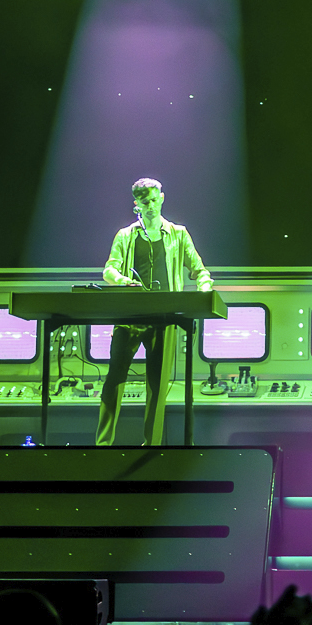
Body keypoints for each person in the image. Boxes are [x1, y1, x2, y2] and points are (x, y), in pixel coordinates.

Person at [97, 178, 213, 447]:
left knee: (158, 386)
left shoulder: (179, 234)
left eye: (153, 200)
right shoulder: (125, 235)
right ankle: (102, 446)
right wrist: (123, 280)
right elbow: (109, 270)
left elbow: (200, 271)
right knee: (114, 380)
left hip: (164, 318)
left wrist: (204, 293)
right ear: (136, 204)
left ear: (162, 198)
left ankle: (152, 448)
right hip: (129, 316)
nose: (150, 206)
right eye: (144, 202)